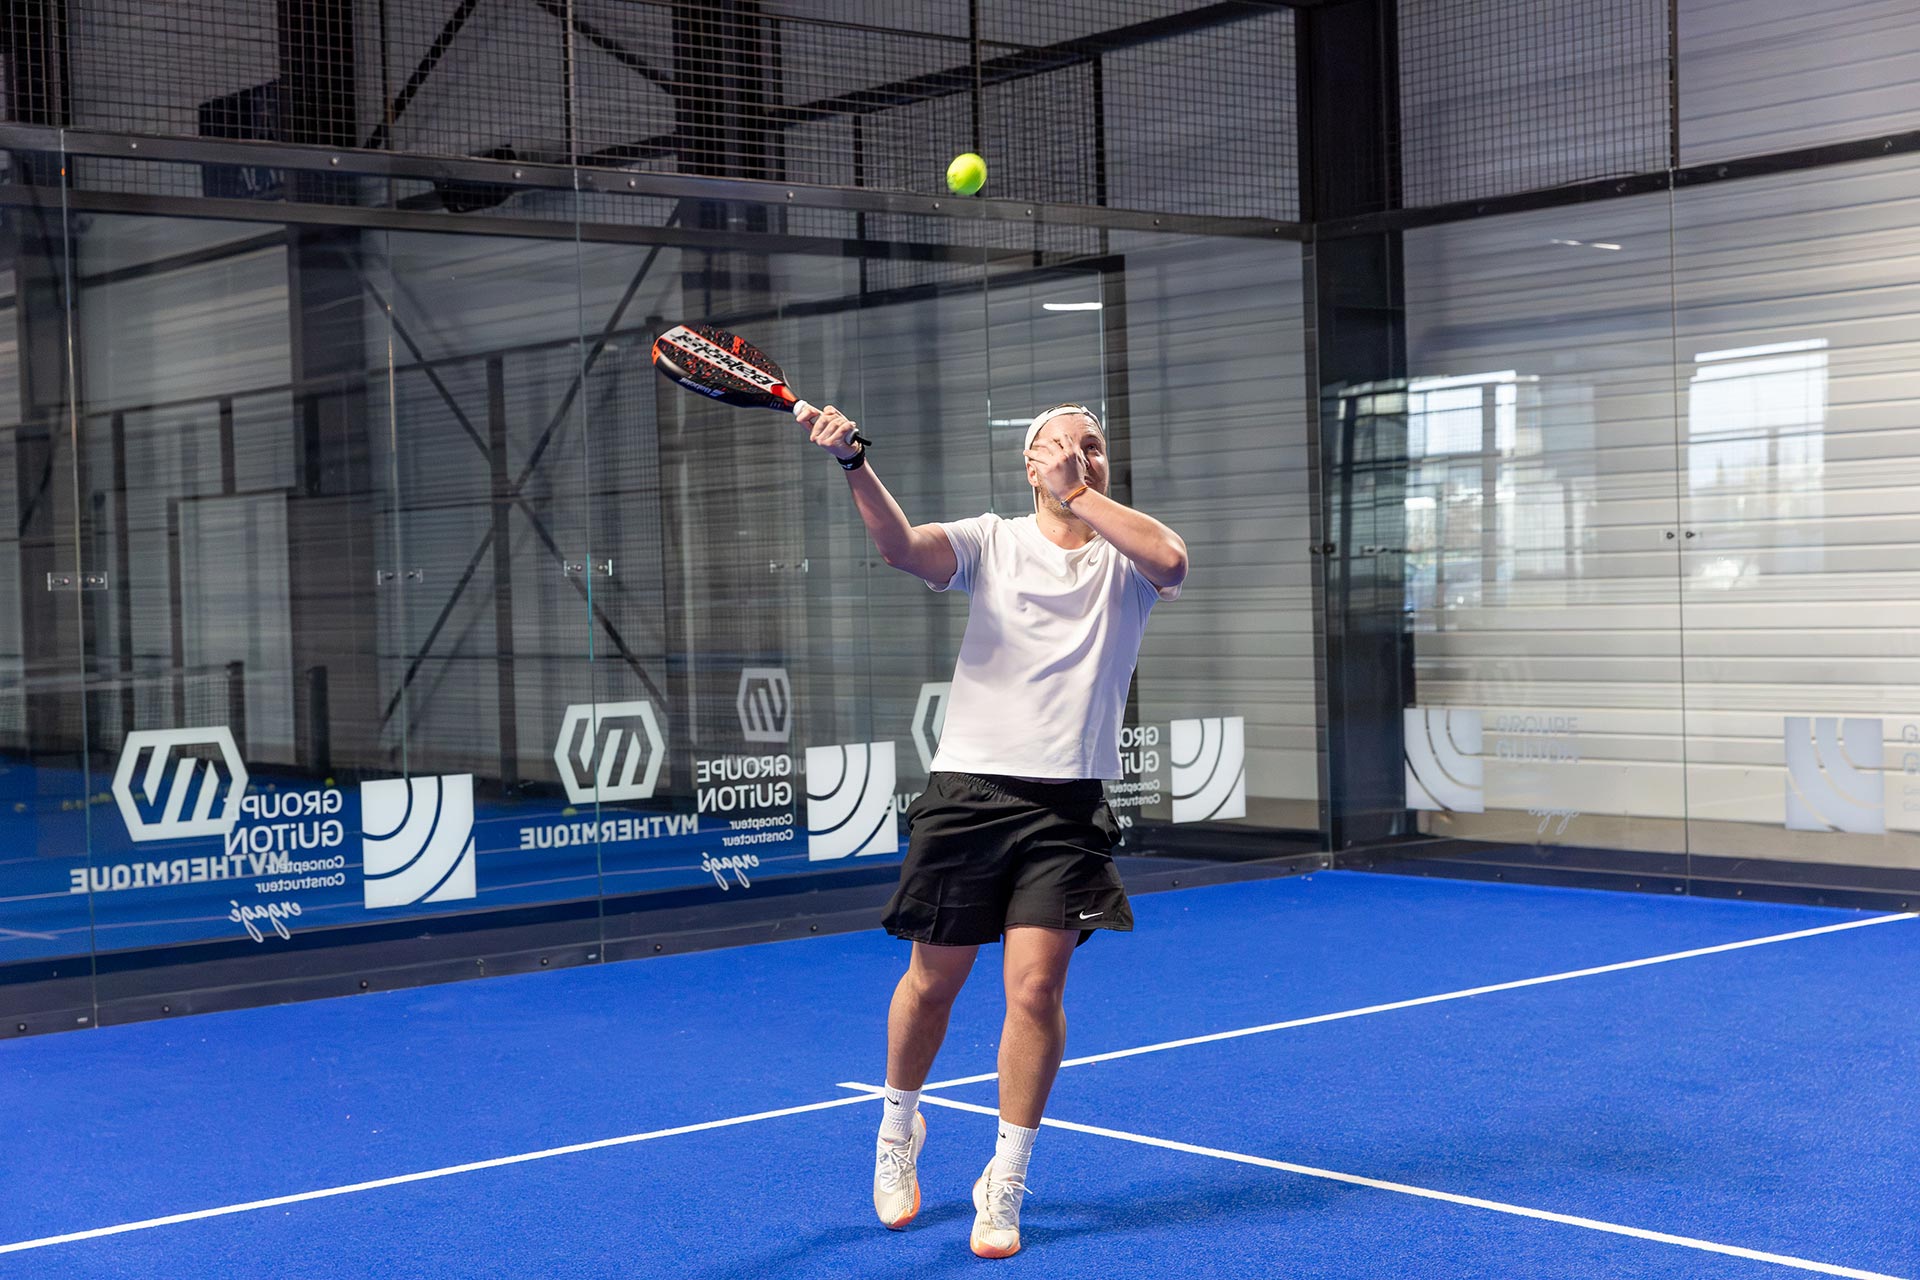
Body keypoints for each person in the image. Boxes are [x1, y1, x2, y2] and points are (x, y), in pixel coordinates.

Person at [798, 400, 1188, 1259]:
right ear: (1028, 466)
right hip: (970, 790)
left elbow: (1173, 558)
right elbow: (901, 549)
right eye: (1061, 447)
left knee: (1035, 990)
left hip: (1068, 806)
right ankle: (899, 1123)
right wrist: (854, 461)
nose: (1081, 457)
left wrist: (1080, 496)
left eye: (1095, 447)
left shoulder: (1128, 558)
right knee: (934, 984)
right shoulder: (991, 540)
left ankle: (1005, 1173)